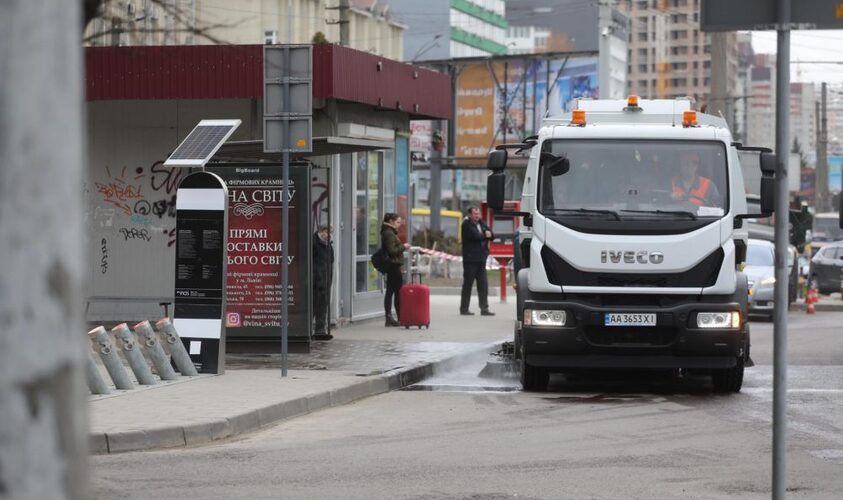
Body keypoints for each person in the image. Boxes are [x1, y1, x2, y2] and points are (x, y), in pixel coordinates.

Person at [460, 206, 495, 316]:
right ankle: (464, 308)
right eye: (475, 214)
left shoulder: (481, 223)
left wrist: (488, 234)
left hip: (481, 259)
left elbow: (491, 234)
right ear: (470, 214)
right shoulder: (466, 224)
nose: (477, 216)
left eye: (478, 214)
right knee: (468, 285)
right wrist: (486, 235)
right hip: (470, 260)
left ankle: (484, 308)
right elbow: (477, 236)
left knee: (483, 284)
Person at [380, 213, 405, 327]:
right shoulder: (389, 233)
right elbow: (392, 251)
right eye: (397, 222)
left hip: (392, 265)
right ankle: (397, 316)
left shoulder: (388, 232)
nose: (399, 225)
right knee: (396, 292)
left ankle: (390, 317)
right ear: (391, 221)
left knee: (390, 291)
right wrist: (404, 246)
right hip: (393, 265)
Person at [312, 225, 334, 340]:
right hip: (315, 280)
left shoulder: (328, 244)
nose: (330, 235)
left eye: (332, 232)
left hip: (325, 280)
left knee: (322, 306)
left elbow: (331, 261)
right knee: (313, 306)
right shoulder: (314, 243)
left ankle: (320, 330)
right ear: (322, 231)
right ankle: (307, 330)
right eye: (328, 232)